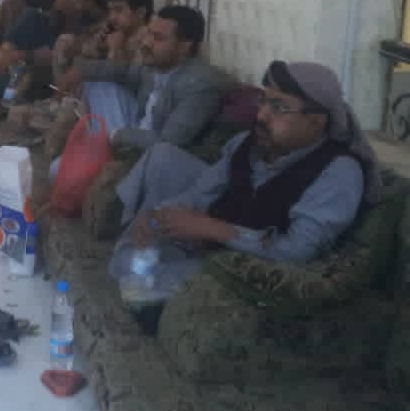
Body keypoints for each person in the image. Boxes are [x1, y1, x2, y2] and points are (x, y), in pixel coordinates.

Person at [108, 60, 379, 306]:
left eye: (279, 107)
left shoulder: (338, 172)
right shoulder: (248, 144)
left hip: (247, 269)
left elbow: (297, 249)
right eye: (264, 101)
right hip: (210, 244)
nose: (262, 115)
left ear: (316, 122)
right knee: (132, 260)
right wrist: (159, 217)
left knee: (148, 285)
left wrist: (213, 229)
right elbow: (200, 193)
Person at [56, 5, 224, 149]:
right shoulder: (157, 65)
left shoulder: (200, 85)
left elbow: (168, 143)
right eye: (149, 34)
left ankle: (98, 148)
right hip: (136, 130)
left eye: (158, 38)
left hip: (151, 156)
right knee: (98, 84)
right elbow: (124, 72)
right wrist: (81, 70)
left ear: (184, 47)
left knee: (61, 169)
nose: (146, 43)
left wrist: (116, 135)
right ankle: (94, 147)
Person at [53, 0, 153, 81]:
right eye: (110, 10)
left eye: (118, 10)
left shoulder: (147, 41)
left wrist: (114, 51)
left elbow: (130, 83)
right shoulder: (118, 32)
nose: (112, 17)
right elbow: (85, 55)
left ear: (140, 13)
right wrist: (96, 48)